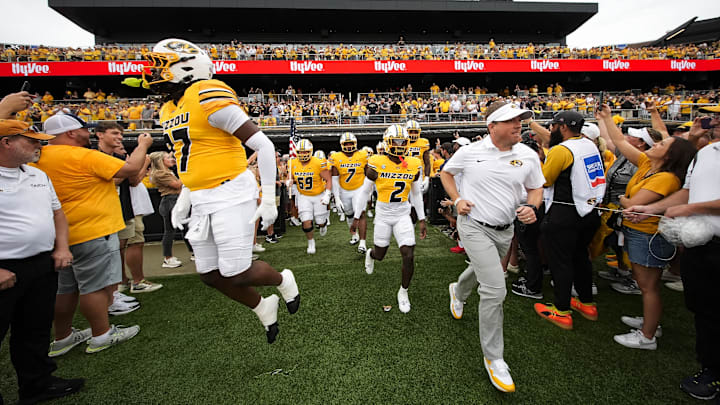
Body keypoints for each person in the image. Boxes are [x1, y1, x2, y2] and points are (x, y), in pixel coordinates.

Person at [143, 38, 299, 344]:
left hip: (231, 191)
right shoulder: (167, 109)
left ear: (185, 66)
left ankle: (283, 279)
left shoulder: (205, 93)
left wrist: (268, 197)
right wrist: (186, 195)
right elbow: (194, 156)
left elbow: (263, 145)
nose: (153, 72)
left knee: (236, 271)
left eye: (160, 65)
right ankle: (262, 306)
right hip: (201, 196)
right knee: (209, 274)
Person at [440, 102, 544, 393]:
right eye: (511, 120)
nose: (518, 125)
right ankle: (494, 358)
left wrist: (532, 206)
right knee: (495, 290)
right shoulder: (471, 151)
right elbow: (446, 173)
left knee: (483, 272)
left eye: (520, 120)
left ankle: (458, 291)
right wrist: (458, 199)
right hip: (473, 226)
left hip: (505, 230)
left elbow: (536, 188)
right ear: (492, 127)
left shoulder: (527, 154)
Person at [35, 112, 149, 355]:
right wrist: (143, 145)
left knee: (66, 288)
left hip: (61, 233)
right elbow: (131, 168)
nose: (88, 133)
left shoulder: (38, 156)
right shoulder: (83, 155)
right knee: (93, 288)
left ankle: (63, 337)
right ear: (71, 133)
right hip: (93, 228)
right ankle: (101, 335)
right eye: (84, 129)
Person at [626, 140, 720, 400]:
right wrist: (652, 209)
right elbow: (690, 191)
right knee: (703, 310)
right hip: (700, 243)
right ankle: (710, 369)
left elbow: (690, 201)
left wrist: (690, 209)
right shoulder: (706, 152)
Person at [597, 105, 696, 350]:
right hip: (638, 231)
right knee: (646, 285)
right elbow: (619, 140)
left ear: (669, 157)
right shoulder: (647, 164)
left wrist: (621, 200)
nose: (656, 145)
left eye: (662, 146)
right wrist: (606, 118)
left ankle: (647, 335)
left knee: (648, 286)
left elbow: (632, 203)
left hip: (648, 234)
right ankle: (650, 323)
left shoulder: (666, 177)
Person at [0, 120, 84, 404]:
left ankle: (37, 385)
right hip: (4, 269)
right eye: (31, 140)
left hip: (41, 264)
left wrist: (61, 247)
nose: (40, 145)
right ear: (6, 142)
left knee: (34, 329)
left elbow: (57, 213)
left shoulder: (37, 174)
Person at [534, 110, 605, 331]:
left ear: (562, 127)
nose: (551, 130)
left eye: (553, 126)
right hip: (590, 211)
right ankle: (587, 304)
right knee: (581, 257)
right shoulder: (589, 144)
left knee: (560, 261)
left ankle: (561, 310)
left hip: (565, 212)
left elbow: (545, 181)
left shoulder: (561, 150)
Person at [351, 124, 427, 313]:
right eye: (397, 141)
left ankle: (403, 291)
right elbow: (364, 192)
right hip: (384, 214)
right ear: (388, 142)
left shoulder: (414, 163)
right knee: (381, 254)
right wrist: (357, 215)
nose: (401, 145)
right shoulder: (376, 161)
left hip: (402, 213)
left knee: (408, 254)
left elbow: (416, 194)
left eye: (403, 141)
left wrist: (423, 218)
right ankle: (370, 255)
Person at [289, 139, 332, 254]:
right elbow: (292, 178)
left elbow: (328, 179)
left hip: (318, 195)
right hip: (304, 196)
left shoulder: (318, 162)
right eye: (300, 152)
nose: (303, 155)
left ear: (310, 151)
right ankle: (311, 242)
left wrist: (327, 194)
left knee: (320, 222)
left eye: (305, 152)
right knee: (306, 222)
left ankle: (323, 225)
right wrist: (289, 181)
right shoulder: (292, 163)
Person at [148, 151, 191, 267]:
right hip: (169, 201)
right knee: (170, 231)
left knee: (186, 227)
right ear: (160, 161)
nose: (171, 159)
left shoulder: (167, 172)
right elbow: (176, 185)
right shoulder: (159, 174)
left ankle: (193, 252)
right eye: (168, 157)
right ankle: (168, 258)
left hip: (176, 199)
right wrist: (187, 174)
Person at [330, 132, 369, 253]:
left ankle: (363, 243)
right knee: (349, 214)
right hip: (344, 190)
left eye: (350, 143)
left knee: (361, 213)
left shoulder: (363, 154)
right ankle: (354, 235)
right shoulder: (336, 157)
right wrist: (336, 197)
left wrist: (369, 190)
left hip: (359, 188)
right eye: (346, 144)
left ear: (355, 144)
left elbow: (368, 174)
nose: (348, 146)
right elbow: (335, 179)